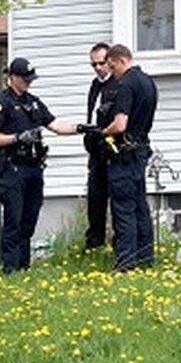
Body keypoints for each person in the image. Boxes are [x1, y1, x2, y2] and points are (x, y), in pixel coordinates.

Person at [0, 57, 91, 273]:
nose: (29, 83)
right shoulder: (0, 103)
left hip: (34, 167)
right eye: (25, 79)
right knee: (14, 218)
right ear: (12, 77)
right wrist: (17, 138)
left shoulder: (33, 102)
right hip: (13, 167)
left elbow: (54, 124)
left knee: (29, 217)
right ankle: (11, 268)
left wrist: (81, 127)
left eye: (31, 79)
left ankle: (24, 266)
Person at [101, 44, 158, 271]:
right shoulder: (148, 82)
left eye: (112, 67)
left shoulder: (126, 84)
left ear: (121, 61)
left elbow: (120, 124)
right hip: (142, 149)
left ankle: (125, 264)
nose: (112, 72)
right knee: (140, 208)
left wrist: (103, 131)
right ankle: (145, 260)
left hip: (124, 155)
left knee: (123, 209)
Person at [83, 42, 118, 250]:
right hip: (95, 150)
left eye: (101, 63)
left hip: (112, 150)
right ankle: (94, 242)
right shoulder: (95, 85)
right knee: (95, 199)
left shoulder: (119, 84)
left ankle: (118, 244)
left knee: (116, 199)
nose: (97, 68)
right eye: (93, 64)